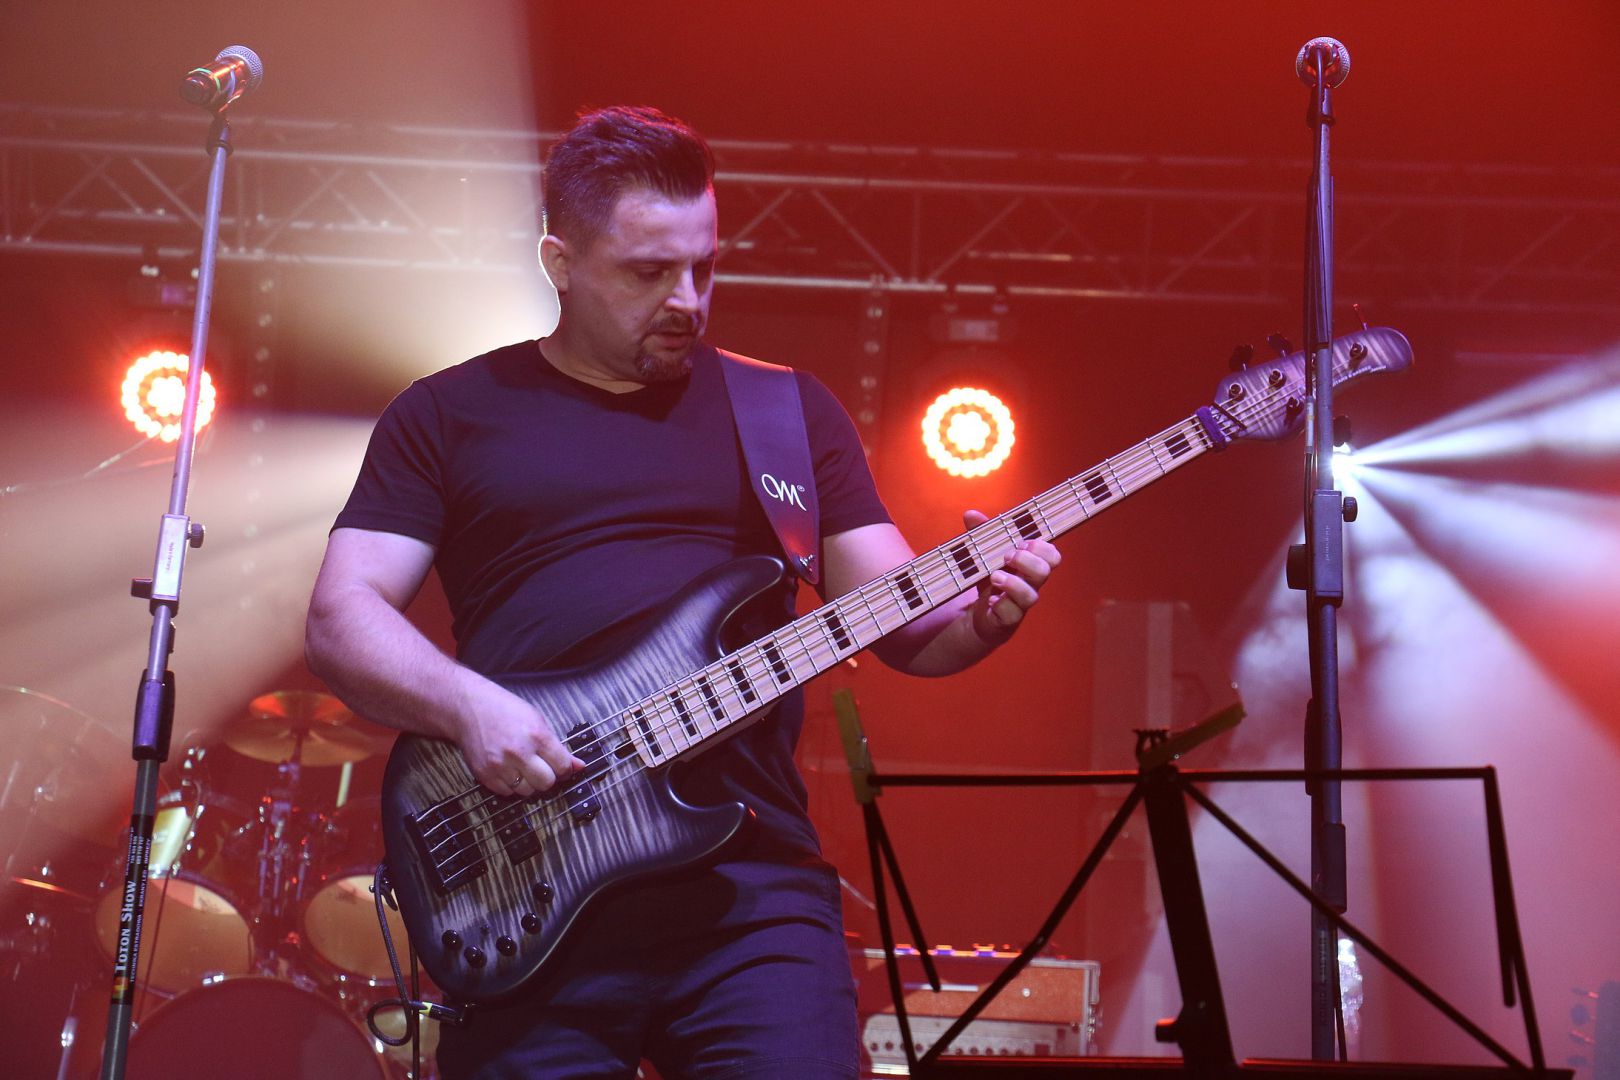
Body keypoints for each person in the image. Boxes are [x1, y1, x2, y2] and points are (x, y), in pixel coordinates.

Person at [305, 105, 1061, 1080]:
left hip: (749, 893)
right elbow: (342, 619)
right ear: (559, 262)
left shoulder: (786, 411)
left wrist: (983, 619)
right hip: (528, 881)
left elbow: (907, 626)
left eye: (704, 267)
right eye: (648, 272)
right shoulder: (450, 414)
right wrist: (469, 707)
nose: (687, 300)